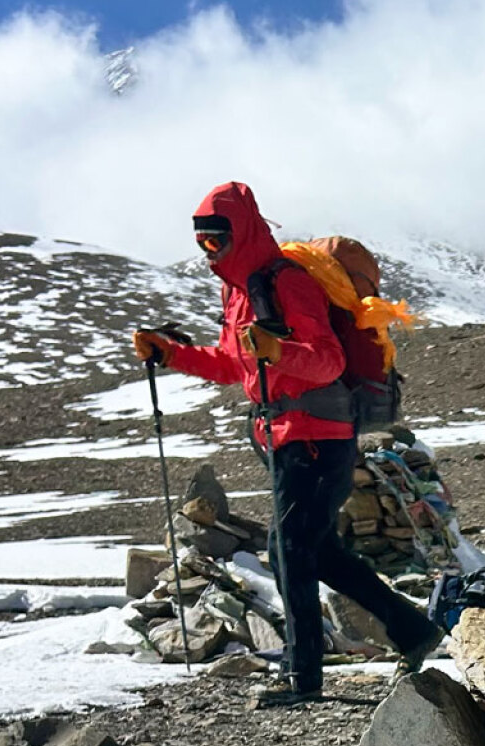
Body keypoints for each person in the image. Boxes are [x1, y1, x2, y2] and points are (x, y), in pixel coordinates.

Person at [134, 183, 441, 706]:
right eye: (202, 242)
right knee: (316, 551)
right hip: (283, 436)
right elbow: (234, 365)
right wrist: (171, 354)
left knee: (289, 550)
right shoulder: (239, 292)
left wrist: (278, 351)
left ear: (242, 232)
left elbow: (328, 360)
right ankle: (412, 630)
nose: (209, 250)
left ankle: (303, 676)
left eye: (216, 239)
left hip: (318, 436)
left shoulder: (287, 283)